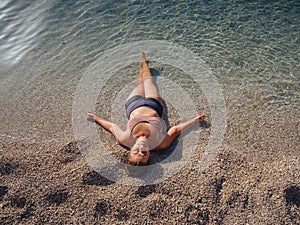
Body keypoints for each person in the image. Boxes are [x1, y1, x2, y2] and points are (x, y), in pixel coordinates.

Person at [86, 52, 205, 177]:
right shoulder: (160, 143)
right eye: (144, 154)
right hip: (154, 104)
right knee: (148, 81)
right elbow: (175, 130)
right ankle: (144, 62)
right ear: (149, 157)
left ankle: (142, 64)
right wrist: (195, 120)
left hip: (133, 104)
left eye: (137, 151)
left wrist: (95, 118)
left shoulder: (125, 139)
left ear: (130, 151)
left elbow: (111, 127)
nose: (141, 150)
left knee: (139, 84)